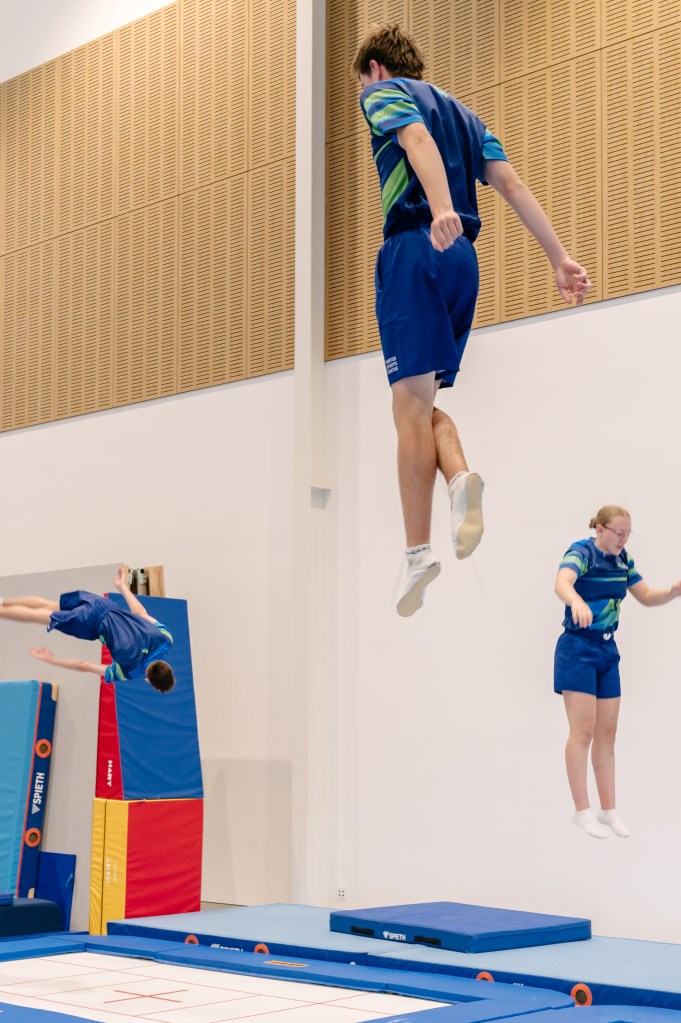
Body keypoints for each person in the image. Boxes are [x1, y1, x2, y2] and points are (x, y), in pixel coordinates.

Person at [352, 24, 592, 616]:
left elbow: (413, 138)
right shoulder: (468, 116)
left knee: (408, 409)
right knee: (421, 404)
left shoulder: (383, 92)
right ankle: (459, 479)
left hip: (419, 244)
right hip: (464, 261)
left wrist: (439, 209)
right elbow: (510, 183)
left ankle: (417, 553)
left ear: (376, 68)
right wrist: (559, 258)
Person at [554, 506, 681, 838]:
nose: (623, 539)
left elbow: (646, 595)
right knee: (583, 731)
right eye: (618, 533)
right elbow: (562, 583)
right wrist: (575, 601)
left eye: (628, 534)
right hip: (578, 648)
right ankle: (582, 810)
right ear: (600, 529)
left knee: (607, 734)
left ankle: (608, 809)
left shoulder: (624, 560)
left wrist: (672, 592)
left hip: (607, 651)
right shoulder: (583, 552)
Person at [0, 566, 175, 692]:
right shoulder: (127, 671)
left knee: (49, 604)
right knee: (40, 616)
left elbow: (139, 612)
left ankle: (4, 601)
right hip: (90, 624)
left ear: (167, 666)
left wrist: (122, 587)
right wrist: (52, 660)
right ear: (148, 680)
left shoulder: (165, 638)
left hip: (103, 605)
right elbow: (83, 665)